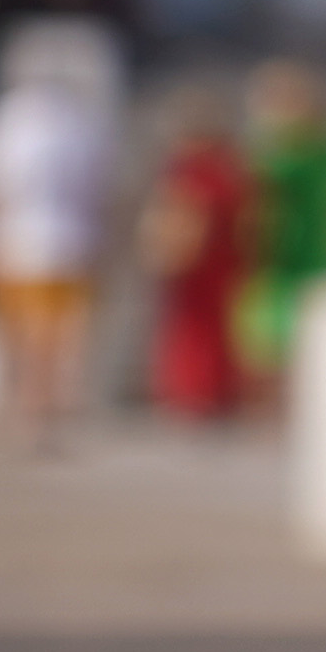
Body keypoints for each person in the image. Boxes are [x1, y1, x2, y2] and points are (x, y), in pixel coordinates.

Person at [0, 27, 119, 454]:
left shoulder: (5, 118)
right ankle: (47, 412)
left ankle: (26, 412)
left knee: (23, 336)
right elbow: (101, 189)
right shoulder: (81, 120)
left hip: (19, 241)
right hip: (70, 241)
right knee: (59, 338)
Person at [134, 89, 260, 426]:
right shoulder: (231, 167)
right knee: (211, 331)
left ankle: (194, 396)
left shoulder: (192, 171)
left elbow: (183, 216)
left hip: (204, 265)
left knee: (196, 331)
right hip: (222, 263)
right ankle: (208, 394)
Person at [238, 59, 326, 407]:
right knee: (283, 345)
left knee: (278, 344)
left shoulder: (281, 157)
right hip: (298, 259)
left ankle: (278, 414)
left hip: (292, 260)